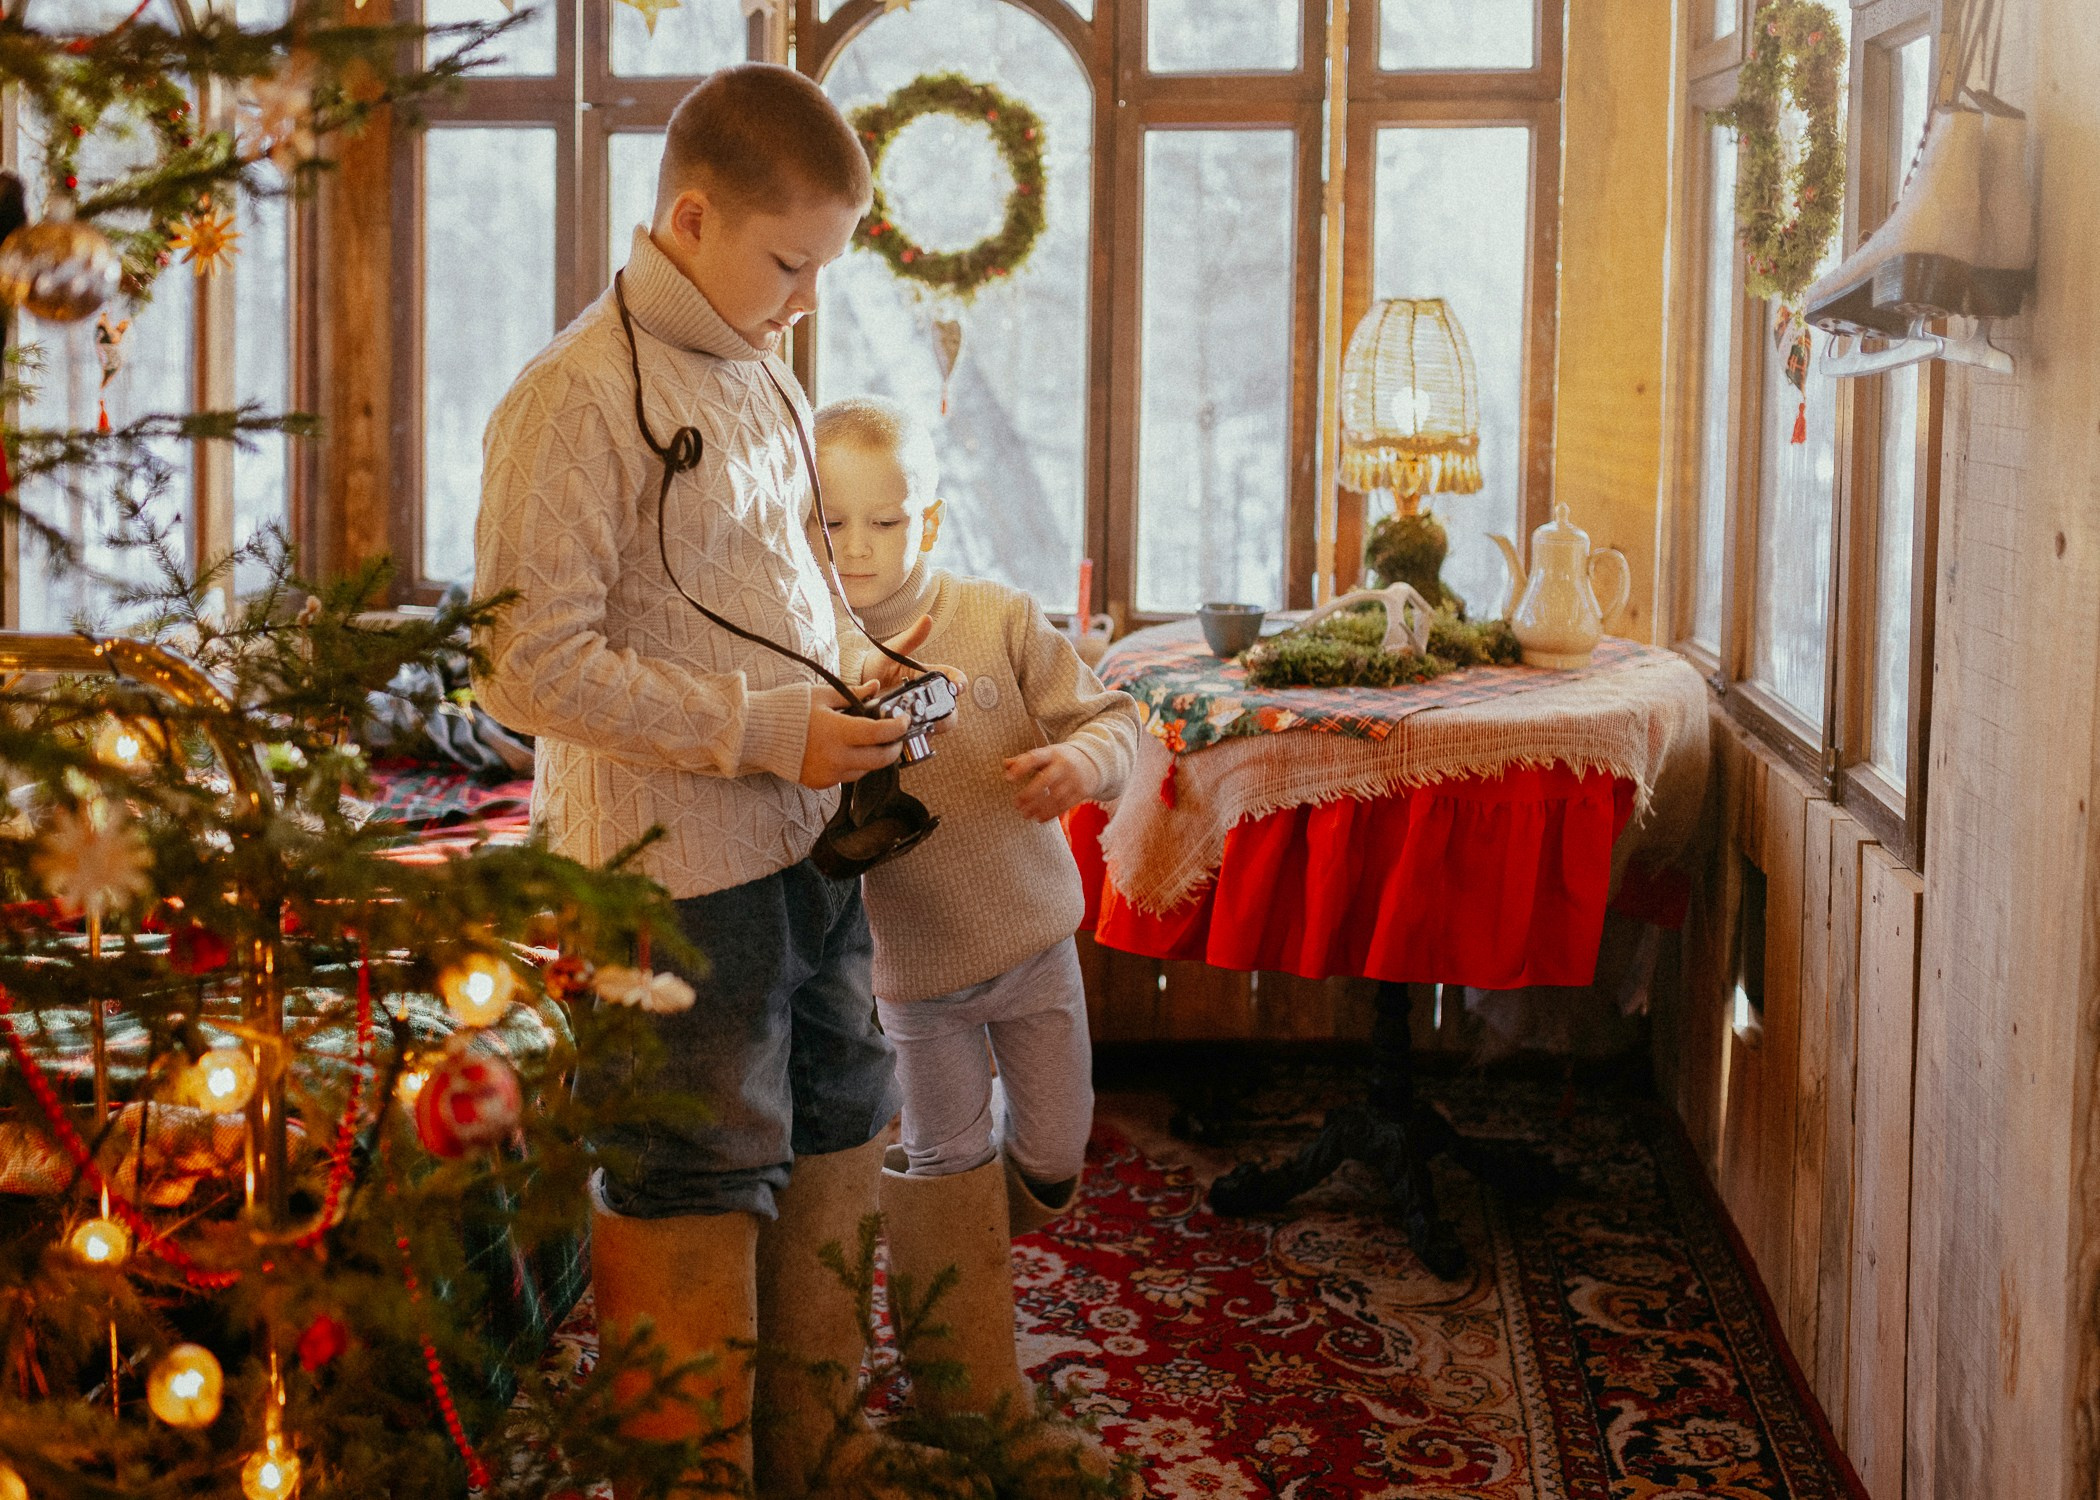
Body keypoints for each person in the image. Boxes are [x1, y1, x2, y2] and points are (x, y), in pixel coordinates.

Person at [473, 65, 944, 1498]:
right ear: (690, 216)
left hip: (813, 857)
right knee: (687, 1175)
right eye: (790, 261)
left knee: (839, 1122)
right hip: (666, 889)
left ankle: (819, 1454)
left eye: (823, 268)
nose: (807, 297)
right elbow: (521, 670)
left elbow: (788, 599)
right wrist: (763, 732)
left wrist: (865, 672)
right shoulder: (567, 397)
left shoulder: (766, 374)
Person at [811, 396, 1139, 1428]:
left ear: (932, 524)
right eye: (833, 523)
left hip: (1034, 947)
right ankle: (952, 1369)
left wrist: (1080, 762)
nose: (860, 547)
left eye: (887, 520)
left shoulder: (997, 621)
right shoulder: (802, 655)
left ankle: (951, 1260)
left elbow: (1116, 719)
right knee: (946, 1162)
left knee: (1050, 1155)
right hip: (910, 982)